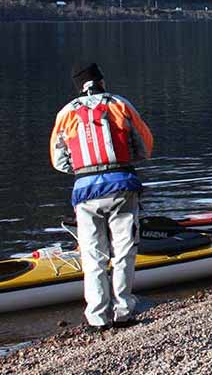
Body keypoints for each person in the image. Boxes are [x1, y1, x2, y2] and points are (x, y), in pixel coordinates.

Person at [50, 62, 153, 332]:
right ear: (101, 81)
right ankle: (123, 311)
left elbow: (58, 161)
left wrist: (82, 170)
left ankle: (97, 316)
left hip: (84, 192)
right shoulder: (120, 104)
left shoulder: (65, 113)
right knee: (123, 252)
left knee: (93, 256)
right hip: (121, 186)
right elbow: (145, 146)